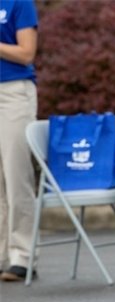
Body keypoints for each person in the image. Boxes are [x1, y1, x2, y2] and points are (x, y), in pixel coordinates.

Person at [0, 0, 39, 282]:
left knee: (16, 176)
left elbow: (27, 52)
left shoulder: (18, 2)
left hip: (12, 94)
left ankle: (22, 256)